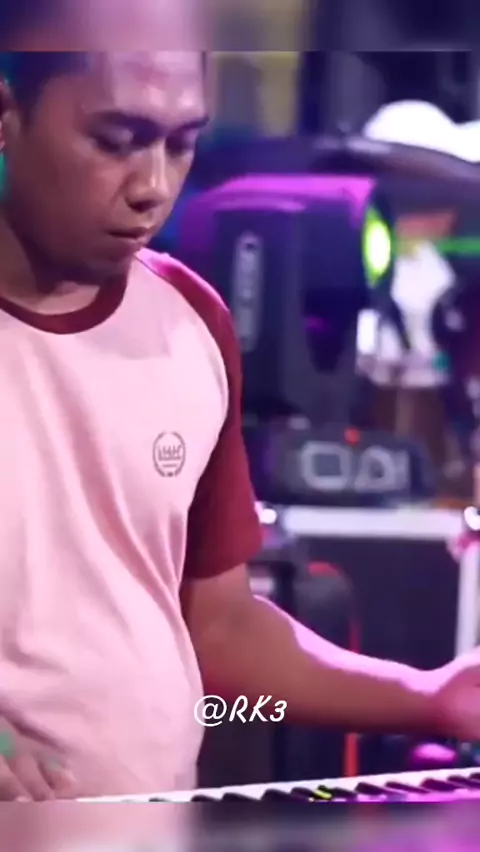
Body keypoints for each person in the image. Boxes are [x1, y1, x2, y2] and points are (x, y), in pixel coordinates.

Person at [0, 1, 480, 803]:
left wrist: (431, 696)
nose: (153, 186)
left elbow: (218, 627)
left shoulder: (191, 320)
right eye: (115, 139)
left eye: (181, 142)